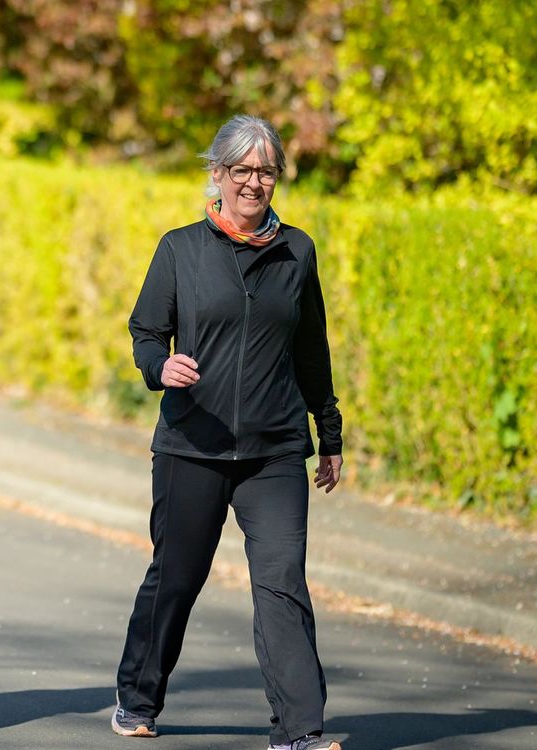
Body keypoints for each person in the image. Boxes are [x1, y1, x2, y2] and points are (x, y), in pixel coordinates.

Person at [112, 114, 345, 750]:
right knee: (178, 575)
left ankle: (298, 730)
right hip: (195, 444)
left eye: (265, 171)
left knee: (282, 583)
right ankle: (137, 694)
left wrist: (329, 434)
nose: (253, 182)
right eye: (240, 170)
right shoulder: (180, 249)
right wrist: (162, 367)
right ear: (216, 175)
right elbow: (146, 332)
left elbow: (311, 351)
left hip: (274, 449)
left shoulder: (297, 251)